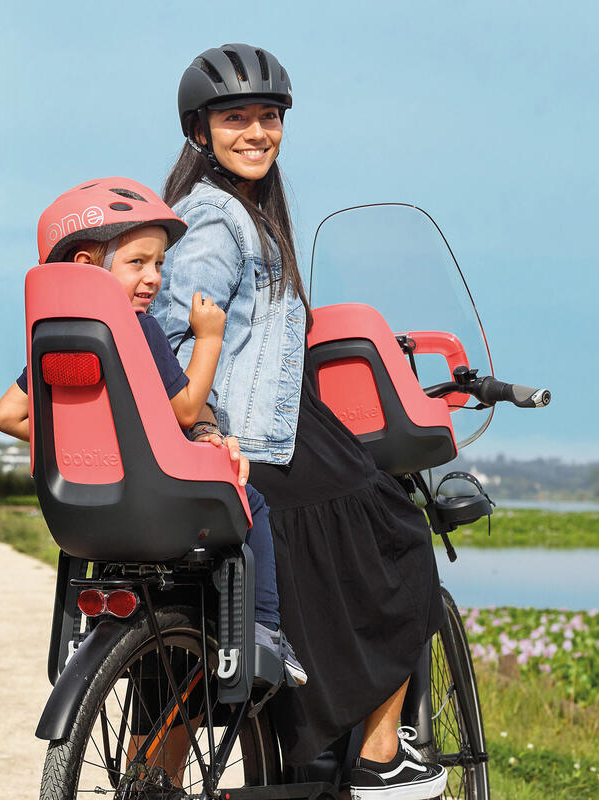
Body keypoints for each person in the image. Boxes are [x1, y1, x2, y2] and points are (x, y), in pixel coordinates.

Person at [154, 44, 447, 799]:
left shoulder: (243, 214)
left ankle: (159, 775)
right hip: (259, 437)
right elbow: (174, 334)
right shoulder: (218, 221)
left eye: (268, 117)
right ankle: (380, 754)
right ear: (200, 132)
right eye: (234, 119)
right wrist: (210, 424)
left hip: (257, 429)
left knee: (219, 596)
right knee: (403, 537)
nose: (255, 132)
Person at [0, 177, 307, 684]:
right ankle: (264, 633)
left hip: (79, 510)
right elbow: (185, 410)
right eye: (138, 262)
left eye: (160, 264)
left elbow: (7, 415)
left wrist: (78, 444)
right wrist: (209, 338)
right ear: (87, 267)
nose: (154, 278)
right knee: (254, 503)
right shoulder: (139, 330)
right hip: (155, 498)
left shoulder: (54, 337)